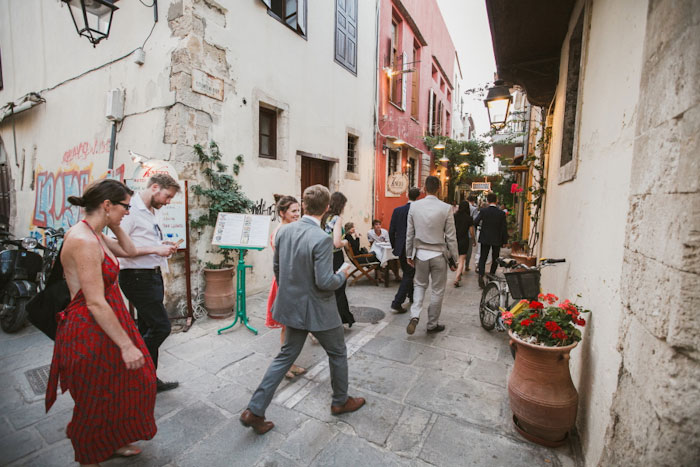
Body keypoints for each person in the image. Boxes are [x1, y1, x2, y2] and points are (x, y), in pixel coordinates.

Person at [46, 179, 156, 465]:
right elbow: (94, 301)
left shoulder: (95, 234)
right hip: (90, 327)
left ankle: (113, 440)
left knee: (127, 384)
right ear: (107, 205)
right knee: (96, 396)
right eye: (125, 207)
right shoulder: (82, 240)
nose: (128, 213)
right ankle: (89, 457)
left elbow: (129, 251)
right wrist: (126, 345)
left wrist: (114, 223)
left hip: (109, 317)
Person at [240, 184, 365, 435]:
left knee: (284, 356)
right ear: (327, 208)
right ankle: (340, 401)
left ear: (304, 206)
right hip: (319, 310)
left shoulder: (284, 232)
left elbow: (278, 270)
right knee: (338, 353)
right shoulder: (321, 239)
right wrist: (342, 274)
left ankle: (254, 410)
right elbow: (325, 282)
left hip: (291, 306)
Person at [117, 173, 180, 392]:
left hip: (151, 275)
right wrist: (155, 249)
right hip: (137, 277)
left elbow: (143, 241)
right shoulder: (130, 210)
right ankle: (132, 368)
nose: (168, 201)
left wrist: (161, 245)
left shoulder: (151, 212)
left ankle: (148, 380)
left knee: (147, 327)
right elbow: (119, 247)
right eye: (168, 196)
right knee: (161, 327)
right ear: (154, 187)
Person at [405, 176, 458, 335]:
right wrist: (454, 258)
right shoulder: (446, 208)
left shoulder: (414, 207)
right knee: (437, 290)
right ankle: (432, 324)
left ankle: (415, 315)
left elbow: (410, 234)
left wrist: (409, 253)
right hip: (439, 255)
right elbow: (451, 236)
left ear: (424, 188)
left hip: (420, 254)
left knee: (419, 285)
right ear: (439, 189)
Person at [265, 194, 306, 379]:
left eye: (299, 210)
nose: (298, 214)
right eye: (294, 211)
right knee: (286, 327)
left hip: (292, 281)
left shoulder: (290, 228)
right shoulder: (281, 232)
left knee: (291, 327)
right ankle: (285, 366)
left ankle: (290, 363)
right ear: (282, 213)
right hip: (285, 283)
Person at [322, 192, 355, 327]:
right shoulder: (336, 219)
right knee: (339, 287)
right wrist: (345, 242)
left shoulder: (324, 217)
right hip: (335, 256)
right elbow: (336, 242)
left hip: (323, 256)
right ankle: (340, 318)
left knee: (327, 288)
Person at [388, 186, 420, 313]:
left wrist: (395, 245)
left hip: (401, 247)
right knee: (409, 273)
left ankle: (411, 296)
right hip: (413, 247)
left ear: (407, 195)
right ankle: (397, 302)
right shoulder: (418, 211)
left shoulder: (398, 210)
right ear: (418, 196)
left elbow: (391, 231)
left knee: (409, 272)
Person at [474, 192, 509, 288]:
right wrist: (505, 241)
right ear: (496, 200)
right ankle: (491, 275)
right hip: (496, 238)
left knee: (483, 257)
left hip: (485, 237)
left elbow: (476, 221)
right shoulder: (501, 213)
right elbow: (504, 228)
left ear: (488, 201)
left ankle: (481, 274)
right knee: (495, 258)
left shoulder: (484, 211)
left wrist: (480, 229)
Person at [452, 201, 477, 287]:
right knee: (462, 259)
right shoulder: (469, 218)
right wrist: (473, 240)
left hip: (455, 239)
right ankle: (457, 277)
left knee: (457, 259)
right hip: (464, 240)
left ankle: (458, 275)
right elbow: (471, 231)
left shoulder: (454, 216)